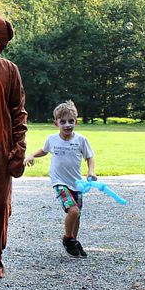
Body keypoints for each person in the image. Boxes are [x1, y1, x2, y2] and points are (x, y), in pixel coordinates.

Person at [24, 100, 96, 258]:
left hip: (77, 183)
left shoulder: (81, 140)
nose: (67, 125)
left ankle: (74, 240)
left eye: (71, 121)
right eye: (62, 122)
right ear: (56, 123)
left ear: (76, 122)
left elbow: (89, 157)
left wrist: (91, 171)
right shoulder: (52, 139)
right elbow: (44, 150)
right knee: (74, 210)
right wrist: (31, 155)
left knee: (77, 215)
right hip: (59, 182)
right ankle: (67, 238)